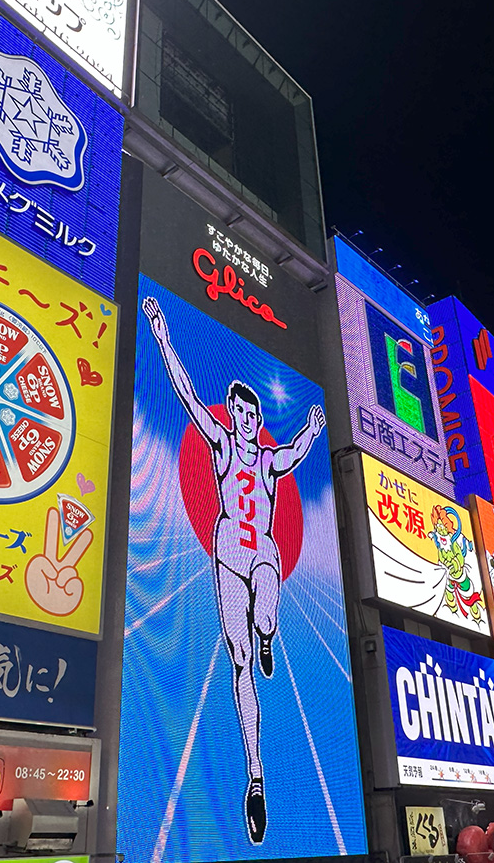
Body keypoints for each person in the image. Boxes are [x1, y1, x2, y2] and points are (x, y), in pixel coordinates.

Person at [142, 296, 325, 845]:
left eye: (252, 414)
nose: (246, 420)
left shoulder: (267, 461)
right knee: (239, 664)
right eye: (239, 412)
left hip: (262, 554)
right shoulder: (221, 447)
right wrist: (162, 337)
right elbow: (187, 394)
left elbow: (294, 450)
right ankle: (255, 777)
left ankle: (268, 630)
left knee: (265, 609)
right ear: (234, 415)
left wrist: (314, 430)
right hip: (228, 558)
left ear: (258, 419)